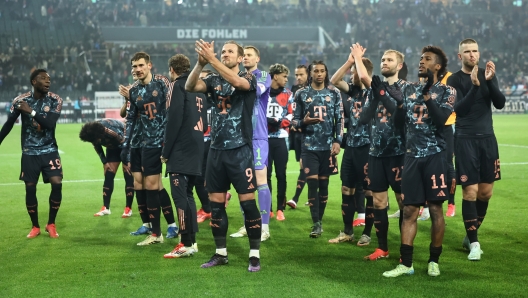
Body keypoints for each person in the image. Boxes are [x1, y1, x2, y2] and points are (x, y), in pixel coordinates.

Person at [186, 39, 262, 272]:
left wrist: (213, 60)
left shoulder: (249, 77)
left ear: (240, 58)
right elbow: (190, 86)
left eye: (230, 52)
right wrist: (200, 65)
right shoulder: (213, 79)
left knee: (248, 204)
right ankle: (221, 253)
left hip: (240, 151)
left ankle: (254, 254)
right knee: (216, 206)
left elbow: (236, 81)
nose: (224, 54)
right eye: (222, 51)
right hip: (216, 151)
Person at [383, 45, 455, 277]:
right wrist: (397, 104)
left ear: (438, 66)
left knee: (435, 209)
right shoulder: (409, 88)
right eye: (421, 58)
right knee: (409, 211)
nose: (421, 61)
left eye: (427, 59)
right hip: (412, 156)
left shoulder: (448, 91)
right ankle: (406, 263)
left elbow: (443, 118)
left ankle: (434, 261)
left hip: (435, 156)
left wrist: (427, 96)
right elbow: (398, 122)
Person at [447, 38, 505, 261]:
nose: (472, 55)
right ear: (460, 56)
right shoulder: (454, 79)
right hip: (465, 140)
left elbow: (499, 103)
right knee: (469, 192)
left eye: (475, 51)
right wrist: (474, 86)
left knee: (485, 193)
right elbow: (458, 110)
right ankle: (474, 243)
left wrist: (489, 82)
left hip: (488, 140)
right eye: (467, 52)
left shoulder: (487, 75)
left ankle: (470, 233)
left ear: (479, 54)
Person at [120, 52, 177, 246]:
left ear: (149, 65)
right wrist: (126, 145)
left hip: (156, 143)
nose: (137, 69)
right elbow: (130, 119)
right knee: (139, 184)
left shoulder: (162, 83)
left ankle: (165, 228)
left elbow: (171, 109)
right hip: (139, 143)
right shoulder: (134, 90)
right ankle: (149, 225)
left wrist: (168, 142)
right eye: (134, 66)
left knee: (155, 185)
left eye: (141, 65)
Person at [0, 69, 63, 238]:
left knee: (57, 183)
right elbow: (9, 124)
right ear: (34, 82)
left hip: (50, 150)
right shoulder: (20, 100)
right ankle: (35, 226)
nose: (48, 81)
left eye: (49, 79)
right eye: (43, 78)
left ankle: (51, 223)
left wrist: (31, 112)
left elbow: (49, 124)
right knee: (30, 188)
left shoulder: (55, 99)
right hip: (29, 151)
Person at [359, 50, 406, 261]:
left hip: (399, 153)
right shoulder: (374, 89)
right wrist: (375, 94)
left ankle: (405, 249)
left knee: (404, 202)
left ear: (400, 65)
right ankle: (383, 248)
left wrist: (382, 95)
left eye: (389, 60)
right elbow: (364, 118)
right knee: (378, 202)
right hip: (376, 154)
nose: (385, 63)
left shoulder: (406, 89)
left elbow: (400, 118)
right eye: (383, 60)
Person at [291, 60, 343, 238]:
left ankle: (319, 220)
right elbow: (294, 122)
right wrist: (303, 122)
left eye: (322, 71)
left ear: (326, 73)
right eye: (316, 71)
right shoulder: (301, 94)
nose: (319, 74)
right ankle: (316, 223)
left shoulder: (334, 93)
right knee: (312, 184)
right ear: (311, 73)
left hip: (328, 148)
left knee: (324, 185)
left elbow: (340, 119)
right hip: (309, 147)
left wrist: (338, 141)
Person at [162, 54, 207, 258]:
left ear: (172, 69)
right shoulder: (199, 88)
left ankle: (184, 242)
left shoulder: (177, 85)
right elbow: (205, 123)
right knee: (188, 195)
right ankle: (192, 242)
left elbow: (173, 119)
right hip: (198, 146)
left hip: (180, 148)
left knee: (180, 196)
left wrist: (165, 151)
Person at [329, 43, 373, 244]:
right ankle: (347, 232)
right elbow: (334, 80)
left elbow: (365, 79)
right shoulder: (353, 91)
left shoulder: (375, 91)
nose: (351, 75)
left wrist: (358, 62)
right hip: (351, 148)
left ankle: (368, 233)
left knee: (371, 192)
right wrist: (349, 61)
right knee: (347, 190)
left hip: (368, 148)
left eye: (354, 71)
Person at [230, 45, 273, 240]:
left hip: (257, 136)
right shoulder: (236, 76)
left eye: (249, 55)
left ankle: (264, 227)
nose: (246, 58)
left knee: (261, 181)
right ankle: (249, 225)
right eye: (244, 55)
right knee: (244, 184)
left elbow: (254, 92)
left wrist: (238, 81)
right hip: (239, 136)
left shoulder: (263, 76)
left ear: (257, 58)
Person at [79, 119, 134, 217]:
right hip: (112, 148)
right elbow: (96, 145)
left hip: (126, 144)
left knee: (128, 173)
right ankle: (106, 208)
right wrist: (104, 162)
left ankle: (128, 208)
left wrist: (127, 161)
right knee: (109, 174)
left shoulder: (110, 131)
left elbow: (124, 144)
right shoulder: (93, 133)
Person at [266, 64, 293, 221]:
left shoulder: (288, 94)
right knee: (266, 175)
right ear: (275, 76)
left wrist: (279, 122)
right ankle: (268, 208)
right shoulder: (263, 93)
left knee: (281, 174)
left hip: (281, 138)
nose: (286, 79)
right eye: (284, 76)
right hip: (265, 139)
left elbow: (291, 115)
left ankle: (280, 209)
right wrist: (267, 121)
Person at [287, 65, 309, 208]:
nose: (298, 77)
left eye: (301, 74)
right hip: (296, 134)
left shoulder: (314, 90)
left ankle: (295, 198)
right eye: (296, 75)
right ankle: (314, 196)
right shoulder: (295, 91)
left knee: (304, 165)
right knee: (305, 166)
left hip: (309, 135)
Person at [195, 69, 213, 223]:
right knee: (199, 178)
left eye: (205, 79)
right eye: (200, 79)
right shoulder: (196, 99)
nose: (201, 82)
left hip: (215, 144)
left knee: (208, 179)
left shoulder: (218, 99)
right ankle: (207, 208)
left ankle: (209, 209)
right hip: (200, 143)